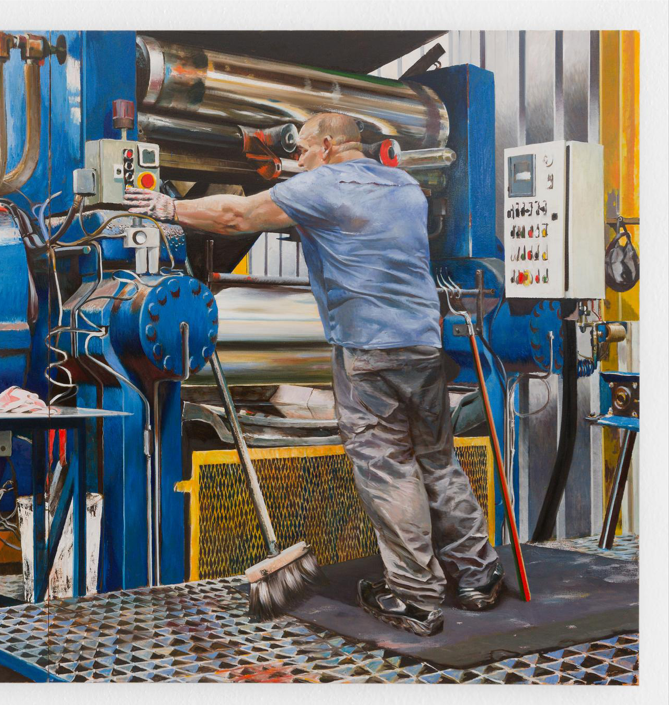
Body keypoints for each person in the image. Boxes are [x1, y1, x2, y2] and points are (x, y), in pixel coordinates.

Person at [123, 112, 503, 637]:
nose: (296, 161)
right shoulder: (407, 185)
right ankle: (479, 577)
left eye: (300, 151)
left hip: (368, 352)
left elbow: (236, 216)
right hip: (424, 345)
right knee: (438, 462)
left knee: (388, 468)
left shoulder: (321, 186)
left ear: (326, 146)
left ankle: (415, 597)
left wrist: (169, 206)